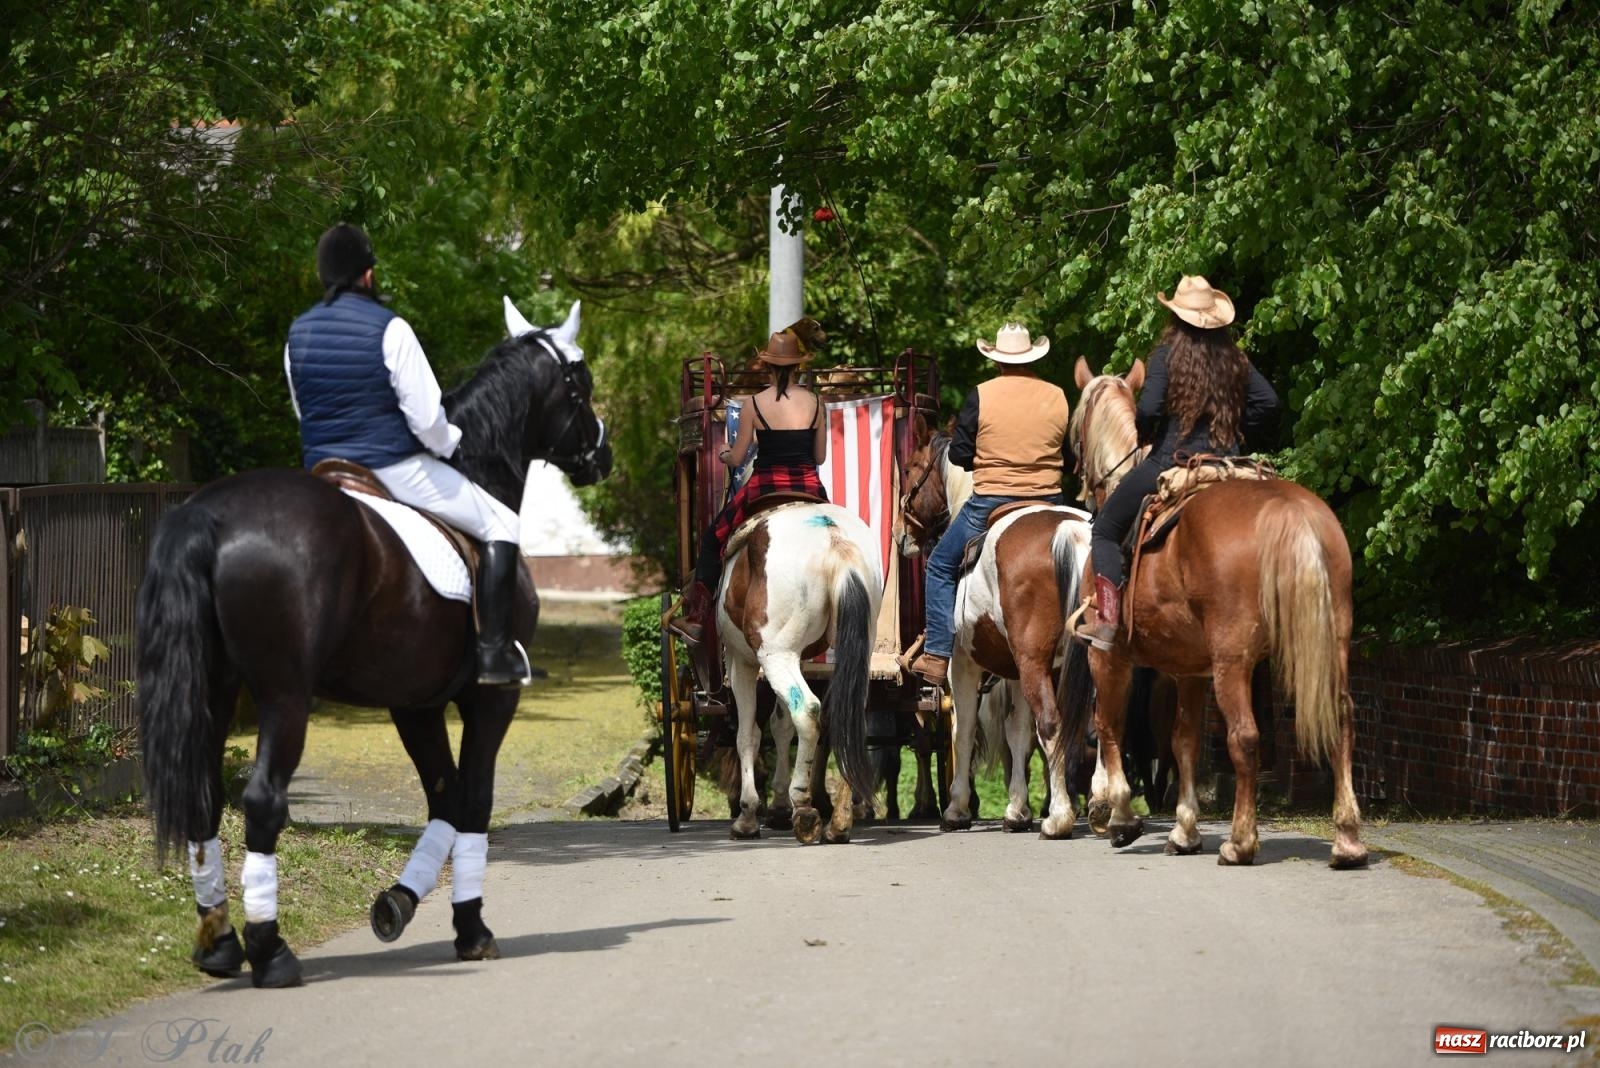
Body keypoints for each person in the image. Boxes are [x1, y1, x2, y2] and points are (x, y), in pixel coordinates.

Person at [284, 223, 530, 687]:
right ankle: (495, 655)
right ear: (368, 275)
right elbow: (426, 420)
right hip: (392, 467)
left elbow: (303, 409)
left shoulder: (297, 332)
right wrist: (450, 445)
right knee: (502, 524)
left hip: (321, 472)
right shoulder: (390, 327)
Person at [1077, 275, 1281, 650]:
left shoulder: (1166, 355)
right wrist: (1236, 432)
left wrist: (1146, 433)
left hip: (1173, 461)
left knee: (1105, 530)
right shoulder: (1235, 358)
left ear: (1175, 316)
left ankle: (1107, 623)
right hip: (1230, 464)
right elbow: (1268, 402)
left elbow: (1150, 408)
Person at [907, 324, 1072, 686]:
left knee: (938, 566)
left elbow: (962, 456)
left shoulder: (981, 395)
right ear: (1032, 357)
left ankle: (936, 655)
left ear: (996, 360)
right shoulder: (1058, 395)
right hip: (1051, 499)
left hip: (991, 502)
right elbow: (1070, 456)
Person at [668, 320, 829, 643]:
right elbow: (821, 456)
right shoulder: (815, 404)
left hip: (764, 487)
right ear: (799, 366)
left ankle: (698, 617)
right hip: (809, 487)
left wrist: (726, 455)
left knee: (713, 539)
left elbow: (739, 458)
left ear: (768, 366)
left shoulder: (753, 405)